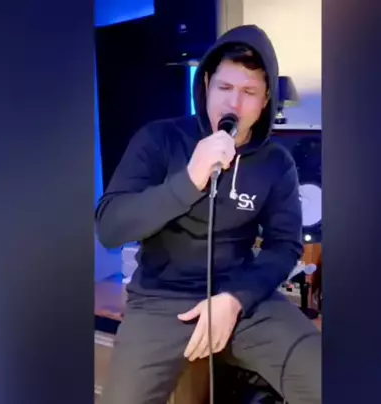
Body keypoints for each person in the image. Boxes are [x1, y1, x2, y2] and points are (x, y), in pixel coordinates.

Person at [96, 24, 321, 403]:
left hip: (242, 300)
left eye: (248, 92)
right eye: (224, 87)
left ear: (265, 99)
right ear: (205, 86)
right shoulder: (159, 139)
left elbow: (284, 246)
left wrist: (236, 298)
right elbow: (110, 227)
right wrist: (189, 179)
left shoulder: (276, 163)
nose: (234, 104)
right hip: (160, 302)